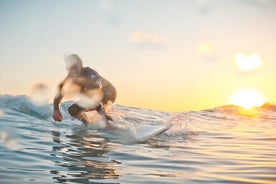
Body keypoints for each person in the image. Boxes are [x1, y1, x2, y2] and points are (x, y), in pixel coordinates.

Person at [52, 54, 116, 125]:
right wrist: (56, 110)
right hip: (94, 95)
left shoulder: (89, 72)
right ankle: (88, 125)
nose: (74, 70)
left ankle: (110, 125)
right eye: (71, 68)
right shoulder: (70, 77)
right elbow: (59, 95)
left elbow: (97, 88)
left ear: (80, 66)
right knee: (73, 110)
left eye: (76, 67)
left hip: (109, 92)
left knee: (94, 101)